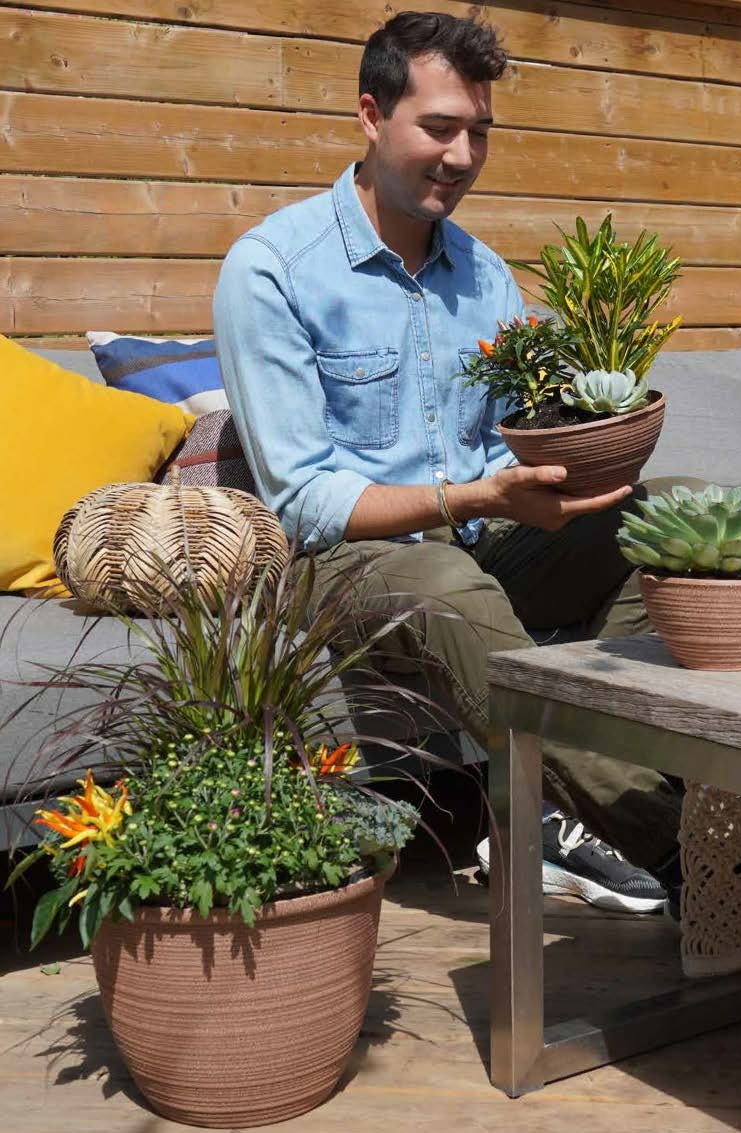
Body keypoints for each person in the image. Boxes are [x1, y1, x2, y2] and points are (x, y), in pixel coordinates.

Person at [213, 11, 683, 914]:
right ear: (370, 114)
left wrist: (588, 436)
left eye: (478, 133)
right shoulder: (272, 269)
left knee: (665, 517)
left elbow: (519, 432)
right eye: (438, 128)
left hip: (479, 538)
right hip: (343, 568)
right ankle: (689, 847)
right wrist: (476, 496)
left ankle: (584, 802)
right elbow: (306, 501)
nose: (461, 156)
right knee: (442, 578)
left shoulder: (486, 277)